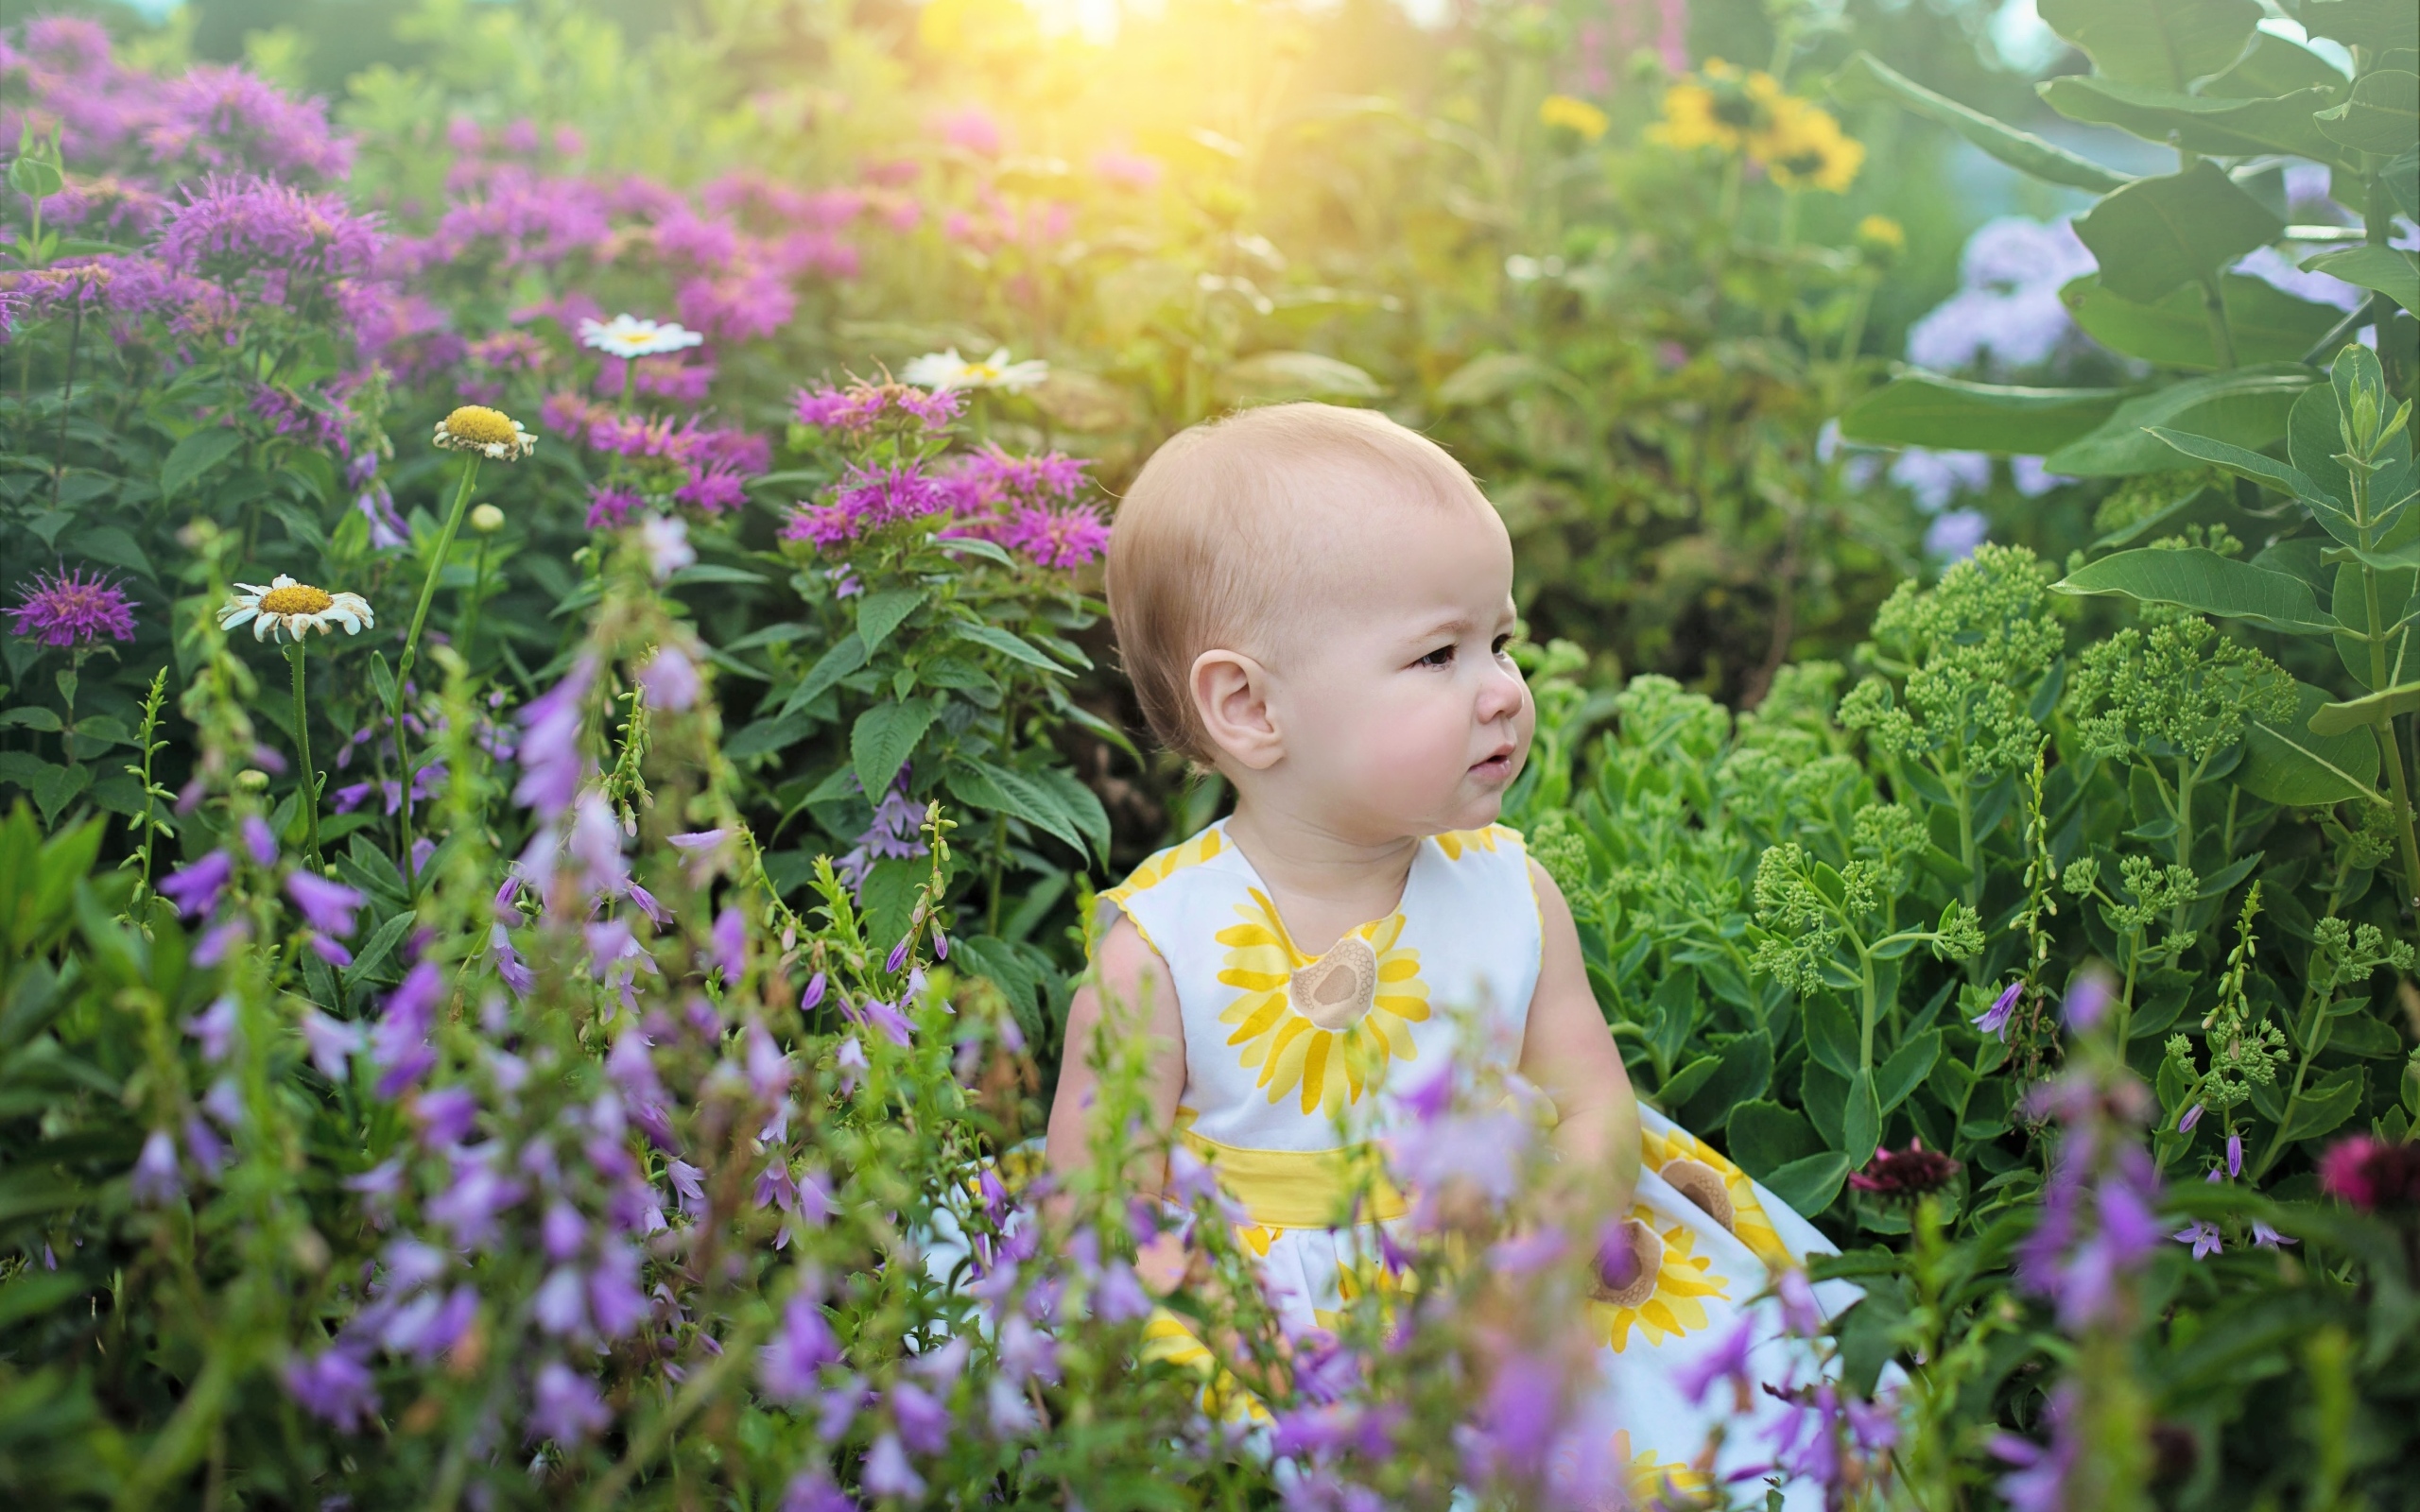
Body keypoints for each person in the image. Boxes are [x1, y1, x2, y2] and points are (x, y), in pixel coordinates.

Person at [1046, 402, 1856, 1503]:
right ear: (1248, 706)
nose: (1503, 691)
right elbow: (1097, 1196)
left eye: (1500, 642)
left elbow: (1594, 1105)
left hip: (1513, 1269)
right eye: (1438, 653)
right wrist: (1187, 1326)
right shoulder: (1162, 948)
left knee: (1699, 1454)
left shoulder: (1508, 891)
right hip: (1278, 1315)